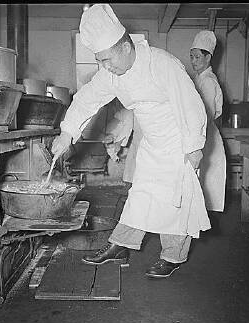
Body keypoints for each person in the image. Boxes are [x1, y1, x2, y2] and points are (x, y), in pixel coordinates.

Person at [52, 4, 211, 278]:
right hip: (151, 142)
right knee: (141, 196)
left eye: (107, 59)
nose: (105, 67)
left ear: (126, 47)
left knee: (177, 201)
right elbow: (88, 98)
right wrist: (67, 132)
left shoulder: (162, 64)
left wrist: (194, 147)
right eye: (100, 60)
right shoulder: (112, 73)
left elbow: (191, 105)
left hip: (179, 141)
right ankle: (121, 245)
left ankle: (173, 256)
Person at [189, 30, 226, 212]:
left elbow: (207, 115)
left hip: (206, 137)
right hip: (200, 135)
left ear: (208, 57)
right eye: (192, 57)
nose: (193, 61)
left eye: (197, 57)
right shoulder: (198, 79)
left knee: (205, 188)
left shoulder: (209, 81)